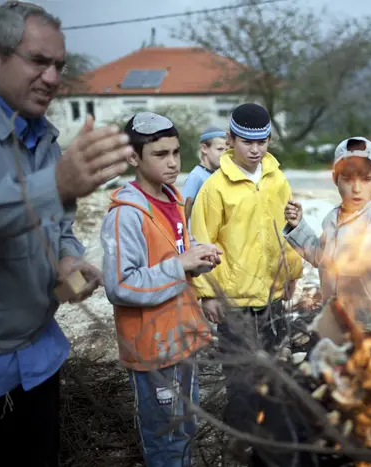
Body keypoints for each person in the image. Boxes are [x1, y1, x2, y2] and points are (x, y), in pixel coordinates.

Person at [0, 3, 131, 466]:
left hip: (37, 360)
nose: (54, 78)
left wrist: (67, 258)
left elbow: (57, 221)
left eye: (60, 65)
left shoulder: (43, 135)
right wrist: (56, 182)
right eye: (39, 61)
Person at [101, 112, 221, 467]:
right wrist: (181, 265)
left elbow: (174, 252)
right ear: (133, 157)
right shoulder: (126, 214)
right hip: (153, 349)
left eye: (175, 152)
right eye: (160, 155)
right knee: (165, 440)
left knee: (184, 429)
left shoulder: (172, 199)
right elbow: (120, 284)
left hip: (183, 338)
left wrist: (199, 255)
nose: (172, 163)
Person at [189, 102, 303, 466]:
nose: (255, 150)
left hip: (271, 300)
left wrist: (291, 274)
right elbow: (202, 241)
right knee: (241, 390)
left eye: (262, 141)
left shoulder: (277, 180)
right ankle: (236, 455)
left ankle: (268, 457)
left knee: (274, 384)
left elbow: (284, 233)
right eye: (246, 142)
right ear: (230, 140)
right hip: (234, 304)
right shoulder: (214, 189)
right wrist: (207, 294)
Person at [284, 136, 371, 337]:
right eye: (347, 179)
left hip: (369, 324)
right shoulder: (331, 218)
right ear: (335, 179)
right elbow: (322, 258)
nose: (356, 188)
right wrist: (298, 227)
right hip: (334, 319)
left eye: (365, 179)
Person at [180, 125, 226, 211]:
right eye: (219, 149)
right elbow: (183, 211)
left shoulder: (217, 175)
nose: (224, 154)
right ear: (204, 148)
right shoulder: (196, 177)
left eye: (226, 150)